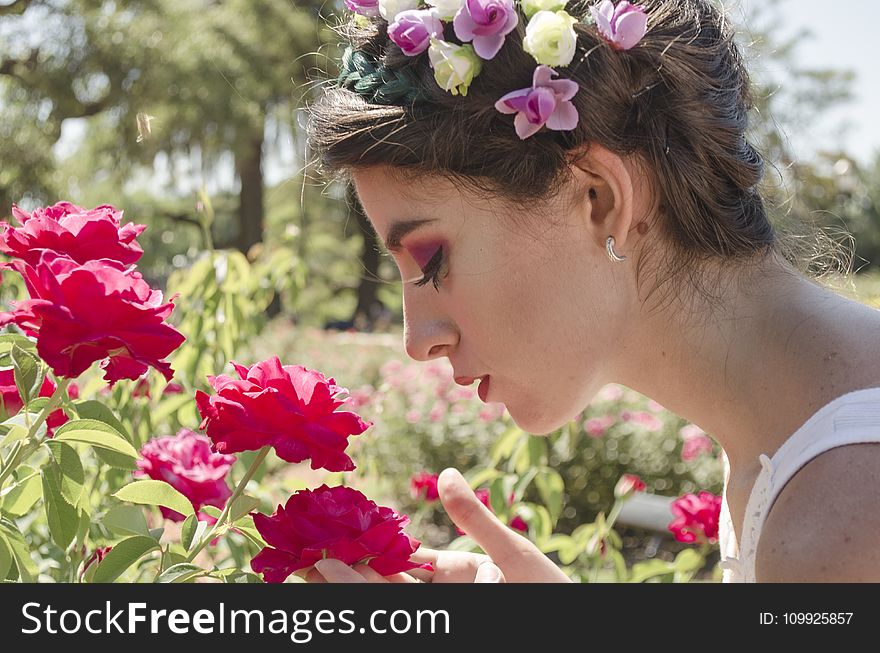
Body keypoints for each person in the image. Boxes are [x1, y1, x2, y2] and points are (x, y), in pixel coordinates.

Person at [300, 0, 880, 582]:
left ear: (599, 199)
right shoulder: (797, 455)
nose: (416, 340)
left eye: (433, 262)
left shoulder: (839, 522)